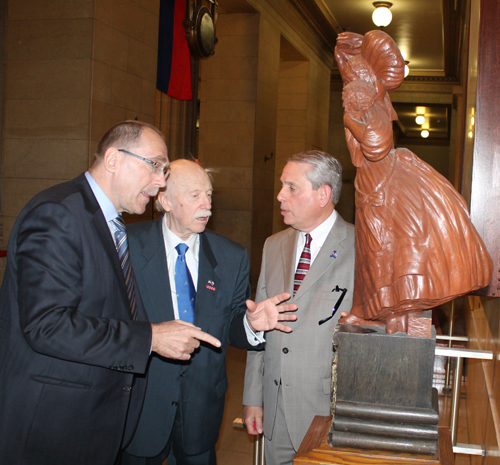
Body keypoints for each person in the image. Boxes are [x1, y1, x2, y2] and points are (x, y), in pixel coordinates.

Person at [0, 121, 223, 465]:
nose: (161, 181)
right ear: (114, 159)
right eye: (154, 165)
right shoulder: (58, 213)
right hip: (54, 426)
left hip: (94, 422)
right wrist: (150, 337)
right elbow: (46, 325)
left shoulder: (111, 224)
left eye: (164, 170)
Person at [122, 159, 297, 465]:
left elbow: (231, 324)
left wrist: (251, 325)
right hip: (141, 403)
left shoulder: (232, 257)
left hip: (201, 408)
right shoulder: (127, 247)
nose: (207, 205)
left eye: (209, 195)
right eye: (194, 196)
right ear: (164, 200)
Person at [335, 30, 492, 333]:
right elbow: (345, 63)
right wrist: (353, 47)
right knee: (371, 252)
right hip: (369, 186)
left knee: (388, 250)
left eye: (355, 81)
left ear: (369, 84)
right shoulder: (362, 96)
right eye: (347, 84)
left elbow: (376, 145)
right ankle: (371, 310)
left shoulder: (373, 106)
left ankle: (396, 313)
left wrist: (349, 120)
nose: (349, 89)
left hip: (384, 187)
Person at [242, 151, 356, 465]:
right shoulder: (273, 245)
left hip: (327, 412)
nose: (280, 195)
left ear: (324, 194)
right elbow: (261, 326)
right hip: (275, 412)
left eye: (292, 187)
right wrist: (254, 398)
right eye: (282, 186)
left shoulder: (361, 249)